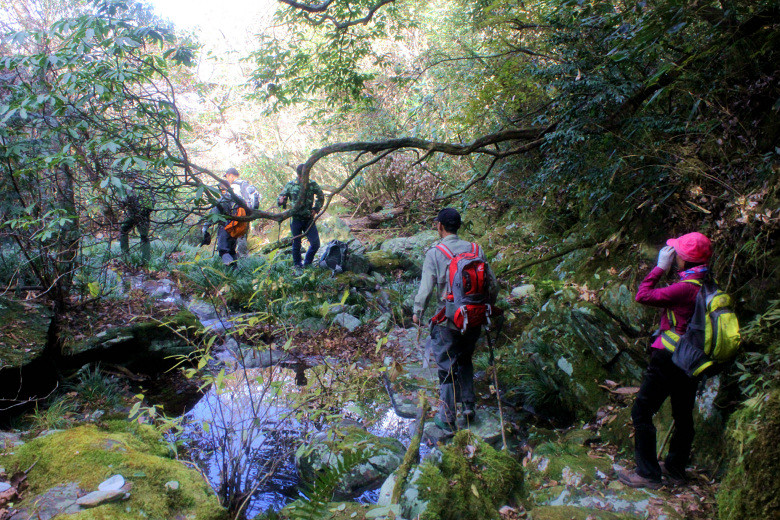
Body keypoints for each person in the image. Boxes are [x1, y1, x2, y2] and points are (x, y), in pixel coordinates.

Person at [618, 232, 713, 489]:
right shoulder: (706, 284)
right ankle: (675, 470)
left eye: (677, 254)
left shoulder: (684, 288)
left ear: (683, 260)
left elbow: (643, 295)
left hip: (668, 357)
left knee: (642, 410)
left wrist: (660, 267)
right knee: (683, 415)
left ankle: (648, 474)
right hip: (691, 360)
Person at [412, 208, 497, 433]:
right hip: (475, 318)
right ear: (459, 226)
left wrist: (417, 312)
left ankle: (447, 418)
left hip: (448, 321)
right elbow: (492, 285)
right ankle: (469, 406)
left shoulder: (435, 253)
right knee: (466, 358)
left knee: (446, 365)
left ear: (439, 226)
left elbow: (426, 289)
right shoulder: (476, 249)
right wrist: (483, 309)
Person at [277, 164, 324, 269]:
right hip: (296, 219)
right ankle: (297, 265)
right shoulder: (291, 185)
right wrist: (281, 201)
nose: (304, 178)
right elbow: (281, 198)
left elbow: (321, 196)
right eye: (302, 175)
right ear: (298, 175)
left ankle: (307, 263)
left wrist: (316, 209)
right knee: (296, 245)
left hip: (308, 219)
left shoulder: (312, 184)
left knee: (315, 243)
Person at [202, 180, 240, 267]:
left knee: (223, 251)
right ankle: (236, 273)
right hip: (236, 228)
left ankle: (231, 268)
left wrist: (205, 228)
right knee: (232, 250)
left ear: (221, 189)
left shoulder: (221, 200)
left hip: (225, 229)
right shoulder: (237, 198)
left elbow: (212, 216)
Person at [225, 168, 259, 257]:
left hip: (239, 214)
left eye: (227, 177)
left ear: (230, 175)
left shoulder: (235, 186)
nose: (227, 179)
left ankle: (242, 259)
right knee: (243, 235)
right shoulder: (245, 184)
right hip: (247, 213)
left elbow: (231, 201)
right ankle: (243, 256)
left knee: (239, 236)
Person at [119, 177, 154, 263]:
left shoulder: (129, 186)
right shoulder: (146, 185)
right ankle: (146, 261)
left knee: (123, 231)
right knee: (144, 237)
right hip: (145, 216)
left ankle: (125, 256)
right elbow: (153, 201)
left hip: (133, 214)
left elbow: (124, 202)